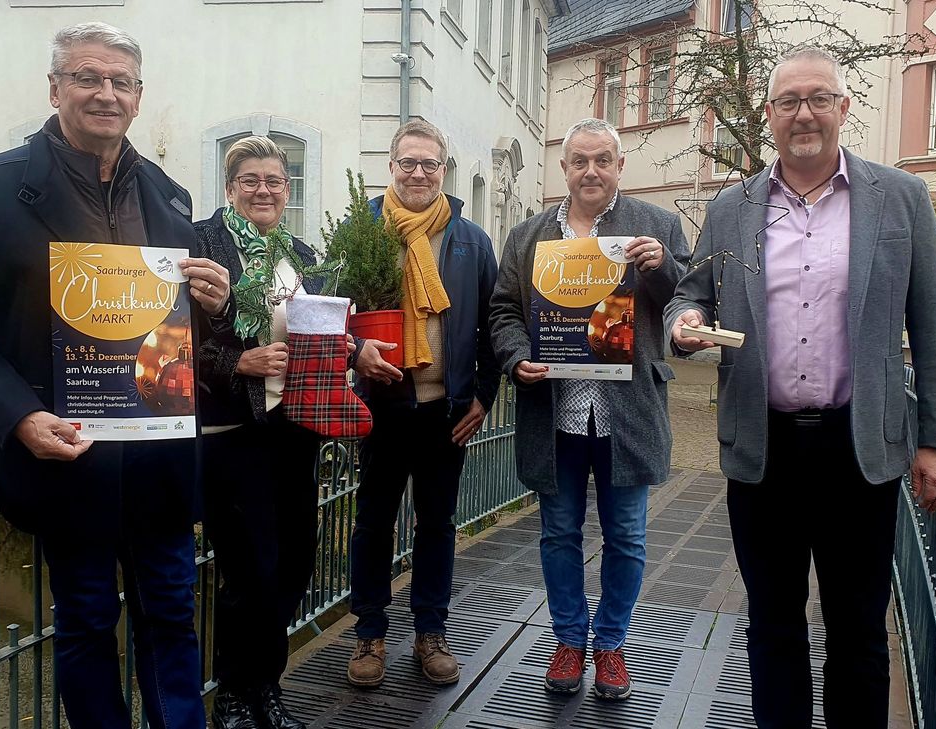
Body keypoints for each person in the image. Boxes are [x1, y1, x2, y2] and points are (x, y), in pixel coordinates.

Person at [0, 23, 230, 729]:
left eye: (121, 82)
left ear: (139, 96)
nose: (106, 93)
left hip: (157, 457)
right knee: (88, 621)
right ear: (56, 87)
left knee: (172, 613)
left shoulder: (170, 195)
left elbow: (184, 329)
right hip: (67, 452)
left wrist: (216, 301)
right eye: (89, 78)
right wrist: (17, 416)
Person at [664, 45, 936, 729]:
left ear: (843, 108)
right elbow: (693, 289)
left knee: (858, 631)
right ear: (769, 115)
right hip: (762, 448)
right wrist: (687, 318)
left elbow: (935, 323)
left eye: (818, 98)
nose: (804, 114)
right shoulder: (734, 206)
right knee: (772, 627)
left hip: (859, 446)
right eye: (789, 101)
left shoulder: (900, 199)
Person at [488, 118, 690, 700]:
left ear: (620, 167)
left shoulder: (656, 227)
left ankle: (610, 645)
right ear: (565, 167)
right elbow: (503, 312)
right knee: (558, 533)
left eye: (603, 160)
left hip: (627, 410)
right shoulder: (529, 238)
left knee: (626, 536)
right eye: (580, 161)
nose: (591, 171)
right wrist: (516, 356)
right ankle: (569, 640)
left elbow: (686, 303)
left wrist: (663, 269)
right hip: (556, 412)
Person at [196, 137, 344, 729]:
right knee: (248, 570)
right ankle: (233, 693)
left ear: (288, 189)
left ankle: (267, 684)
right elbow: (173, 339)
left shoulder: (302, 257)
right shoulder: (205, 245)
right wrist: (239, 362)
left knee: (293, 566)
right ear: (231, 187)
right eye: (251, 179)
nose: (264, 190)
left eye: (275, 181)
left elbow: (319, 334)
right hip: (235, 433)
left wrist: (348, 351)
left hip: (294, 432)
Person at [345, 119, 499, 689]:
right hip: (381, 407)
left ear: (443, 171)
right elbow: (330, 313)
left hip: (446, 412)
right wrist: (357, 350)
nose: (417, 172)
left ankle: (430, 633)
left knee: (436, 524)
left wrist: (483, 394)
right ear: (391, 167)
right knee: (373, 524)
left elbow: (493, 321)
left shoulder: (469, 239)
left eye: (429, 164)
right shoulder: (362, 230)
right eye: (408, 163)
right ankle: (369, 634)